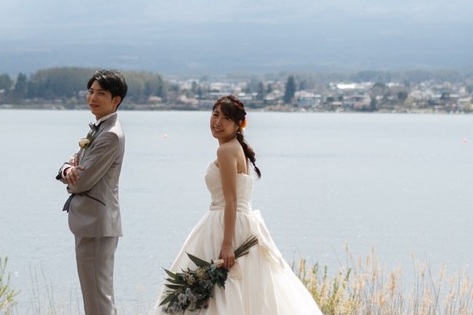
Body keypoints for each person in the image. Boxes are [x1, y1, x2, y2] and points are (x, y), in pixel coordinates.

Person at [149, 95, 325, 315]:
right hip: (240, 224)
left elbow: (231, 199)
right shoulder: (235, 147)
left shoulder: (225, 150)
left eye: (226, 118)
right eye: (215, 115)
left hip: (226, 226)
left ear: (238, 125)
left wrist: (227, 244)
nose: (217, 122)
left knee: (223, 292)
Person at [55, 69, 127, 315]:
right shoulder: (99, 128)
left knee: (98, 299)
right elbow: (73, 162)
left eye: (101, 93)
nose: (92, 98)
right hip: (91, 222)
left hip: (97, 223)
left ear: (115, 100)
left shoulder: (110, 135)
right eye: (91, 91)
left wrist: (72, 176)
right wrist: (67, 169)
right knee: (96, 295)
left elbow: (81, 182)